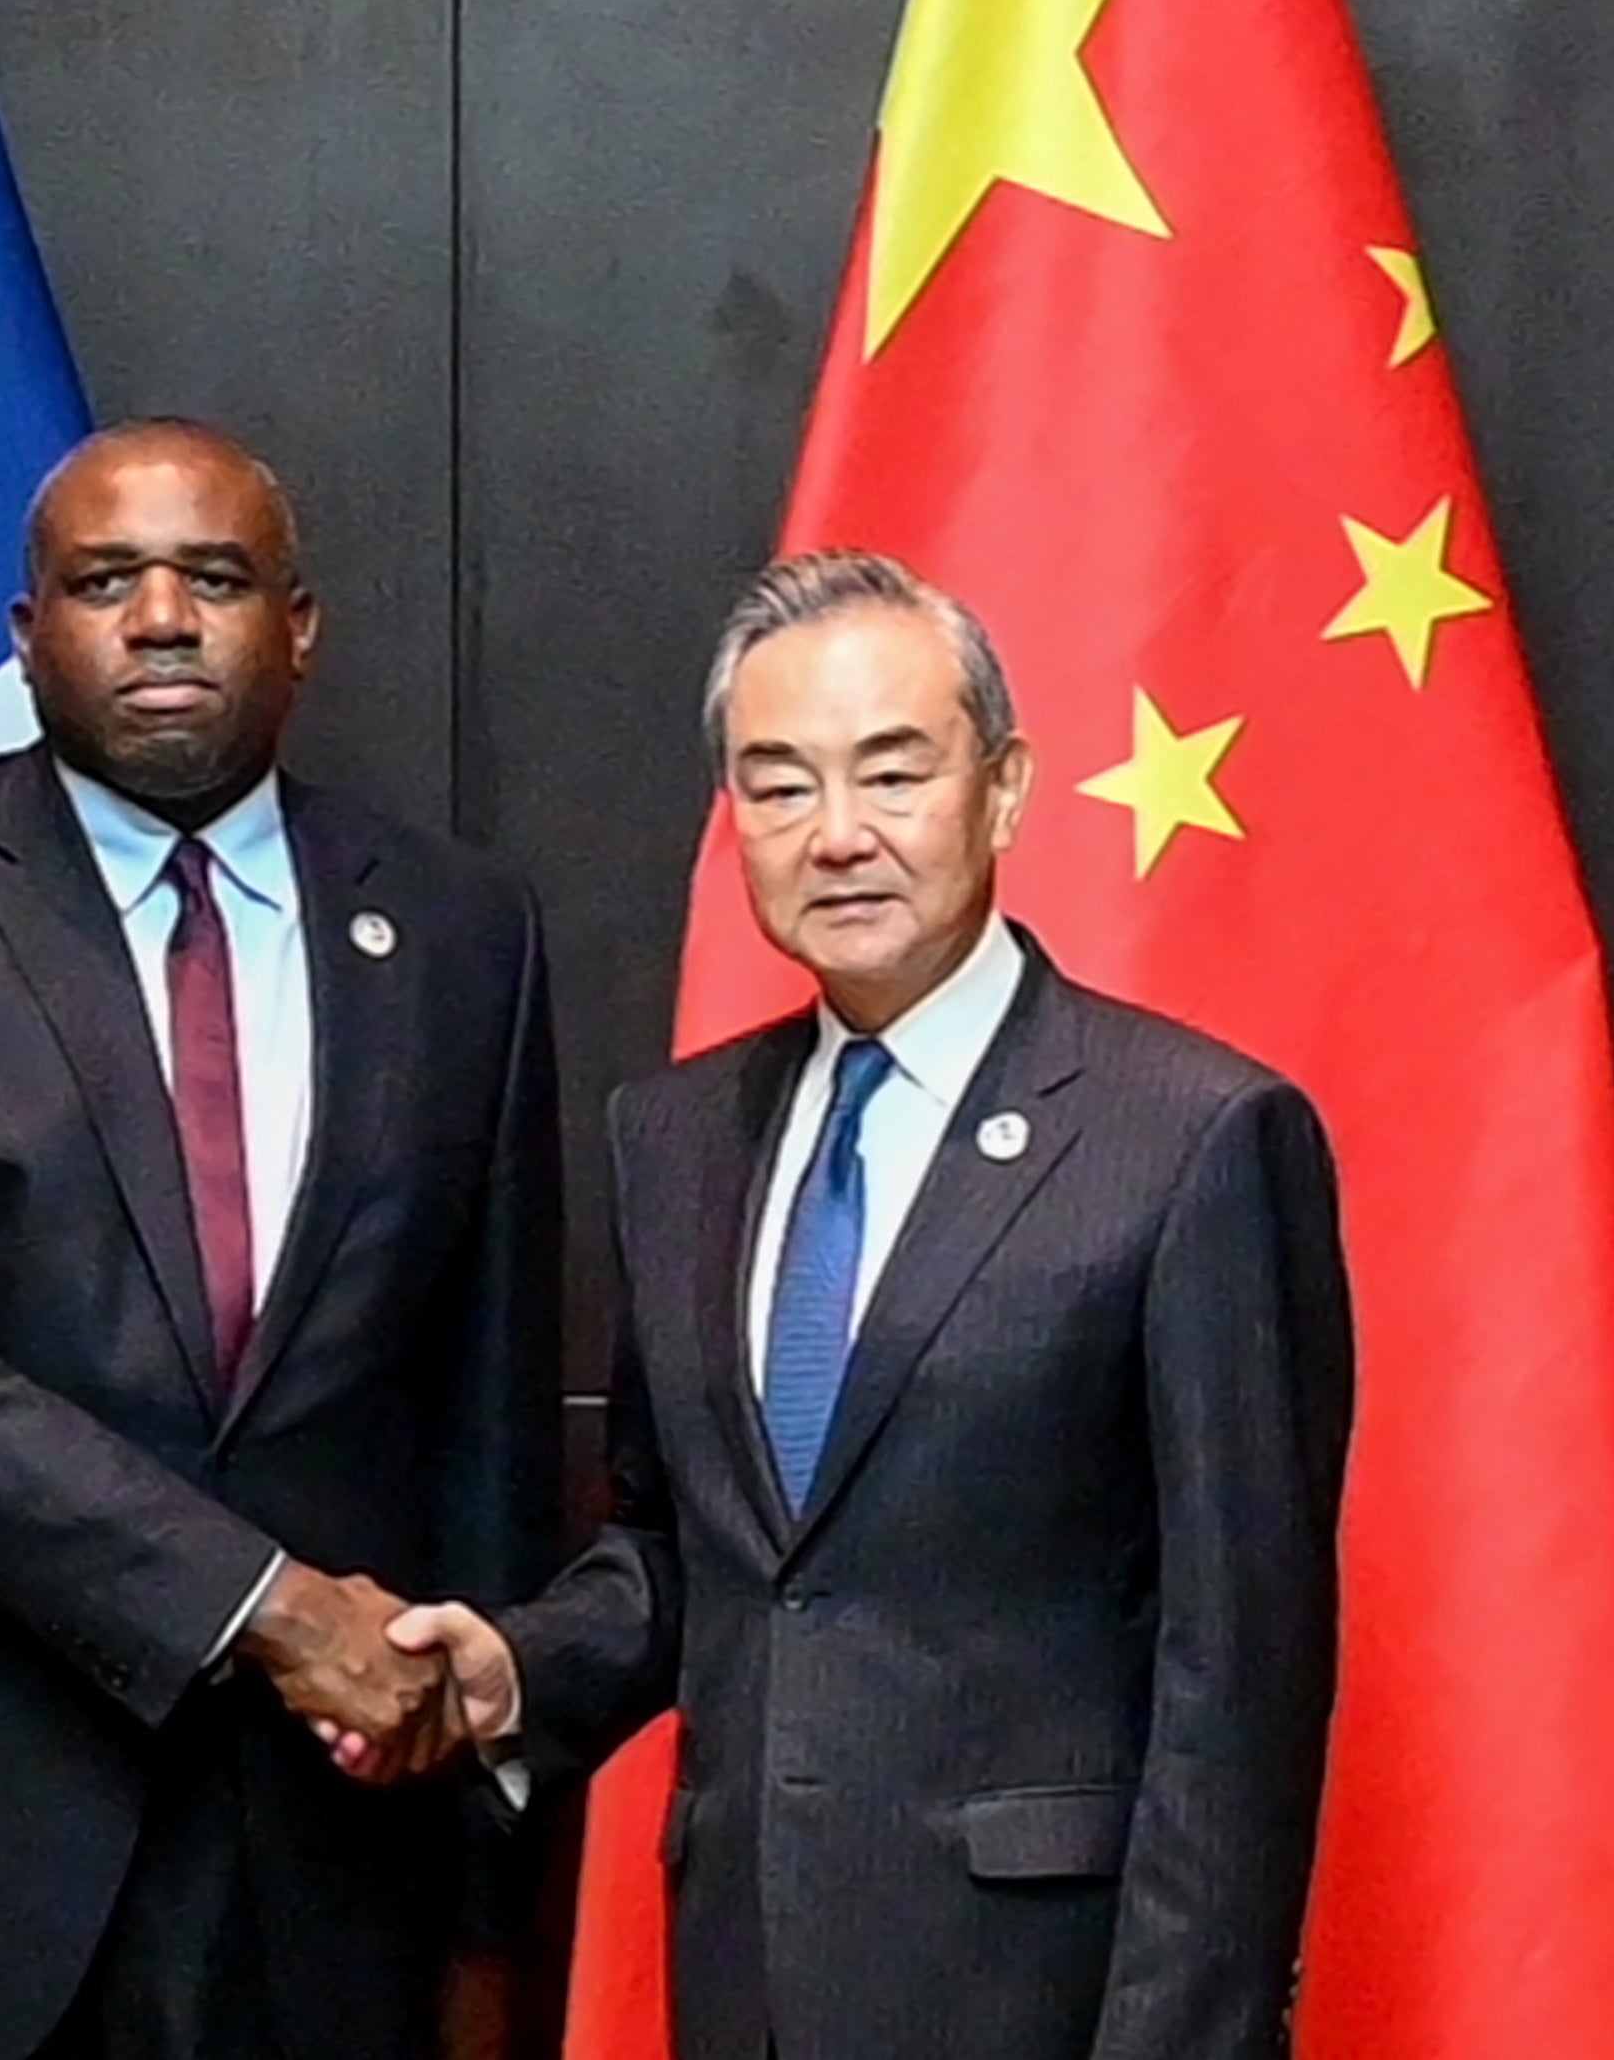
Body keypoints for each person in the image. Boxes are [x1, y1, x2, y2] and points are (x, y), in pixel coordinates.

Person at [0, 421, 563, 2060]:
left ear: (299, 624)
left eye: (213, 576)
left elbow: (482, 1414)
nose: (158, 617)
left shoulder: (459, 929)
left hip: (326, 1870)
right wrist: (271, 1607)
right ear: (26, 631)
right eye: (102, 579)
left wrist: (485, 1890)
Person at [375, 551, 1355, 2060]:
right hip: (748, 1981)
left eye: (893, 774)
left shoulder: (1194, 1138)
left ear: (1006, 789)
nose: (838, 836)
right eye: (778, 788)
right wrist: (524, 1667)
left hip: (1048, 1998)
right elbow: (691, 1548)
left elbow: (1243, 1675)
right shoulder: (678, 1139)